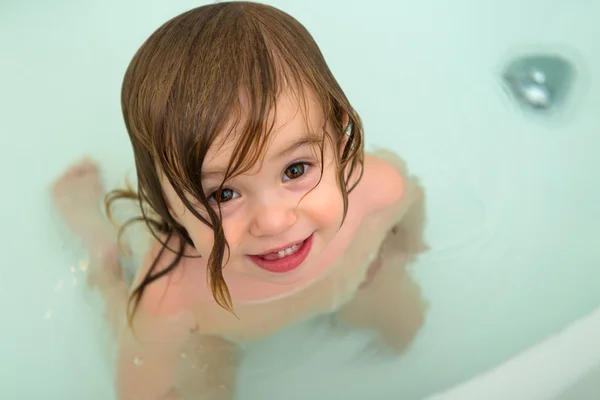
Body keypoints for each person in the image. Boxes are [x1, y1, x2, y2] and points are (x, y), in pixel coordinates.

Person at [51, 2, 428, 399]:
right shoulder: (171, 297)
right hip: (217, 331)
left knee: (407, 331)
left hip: (348, 281)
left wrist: (397, 255)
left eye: (296, 170)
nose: (274, 221)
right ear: (166, 204)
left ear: (339, 138)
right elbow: (142, 390)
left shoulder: (380, 189)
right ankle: (102, 251)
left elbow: (410, 213)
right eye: (223, 194)